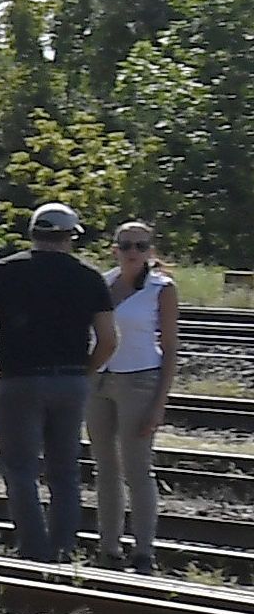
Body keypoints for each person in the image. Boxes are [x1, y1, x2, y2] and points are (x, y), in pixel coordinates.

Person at [0, 201, 119, 564]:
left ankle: (34, 550)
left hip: (19, 380)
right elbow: (109, 339)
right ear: (71, 237)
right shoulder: (89, 277)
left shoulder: (3, 272)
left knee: (20, 468)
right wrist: (85, 373)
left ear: (33, 234)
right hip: (70, 383)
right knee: (65, 470)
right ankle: (64, 548)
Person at [97, 218, 183, 574]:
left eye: (141, 246)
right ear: (115, 248)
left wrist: (159, 403)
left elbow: (171, 346)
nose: (133, 252)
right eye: (127, 245)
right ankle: (109, 546)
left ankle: (144, 549)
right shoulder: (103, 283)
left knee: (137, 468)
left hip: (140, 380)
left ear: (150, 251)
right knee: (105, 468)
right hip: (100, 379)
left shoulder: (161, 288)